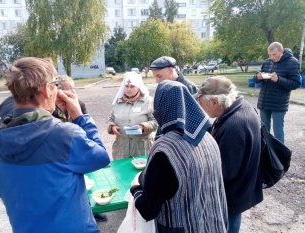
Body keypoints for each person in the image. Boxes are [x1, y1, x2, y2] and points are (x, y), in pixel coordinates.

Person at [0, 57, 110, 233]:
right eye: (55, 84)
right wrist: (80, 117)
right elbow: (101, 158)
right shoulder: (65, 134)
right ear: (46, 89)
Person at [130, 80, 228, 233]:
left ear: (161, 107)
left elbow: (148, 210)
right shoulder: (208, 137)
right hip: (212, 225)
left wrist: (135, 188)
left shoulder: (165, 150)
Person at [195, 76, 263, 233]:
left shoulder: (233, 126)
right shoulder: (242, 106)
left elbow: (225, 172)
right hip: (241, 188)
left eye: (201, 102)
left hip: (231, 195)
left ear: (214, 102)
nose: (200, 106)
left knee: (227, 227)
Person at [253, 42, 301, 143]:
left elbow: (296, 83)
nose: (271, 57)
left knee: (278, 132)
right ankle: (266, 154)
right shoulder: (267, 62)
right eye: (269, 55)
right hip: (264, 102)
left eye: (274, 54)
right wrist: (258, 77)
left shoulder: (292, 62)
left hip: (279, 104)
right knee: (264, 131)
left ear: (281, 52)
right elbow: (256, 77)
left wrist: (278, 79)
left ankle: (280, 156)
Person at [107, 72, 158, 160]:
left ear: (138, 87)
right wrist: (112, 127)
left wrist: (144, 127)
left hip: (142, 148)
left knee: (143, 173)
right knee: (122, 172)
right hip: (121, 149)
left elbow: (156, 121)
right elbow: (111, 118)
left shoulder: (148, 101)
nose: (128, 89)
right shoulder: (118, 102)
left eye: (132, 86)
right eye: (126, 86)